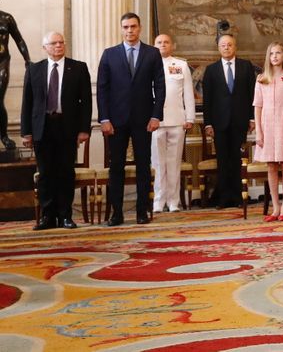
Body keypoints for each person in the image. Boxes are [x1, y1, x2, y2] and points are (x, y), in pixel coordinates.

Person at [97, 13, 164, 226]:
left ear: (140, 28)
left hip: (144, 120)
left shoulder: (152, 54)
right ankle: (116, 213)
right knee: (116, 167)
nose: (129, 30)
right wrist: (104, 118)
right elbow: (102, 89)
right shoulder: (109, 55)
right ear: (121, 29)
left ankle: (142, 212)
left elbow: (160, 87)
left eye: (133, 26)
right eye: (125, 27)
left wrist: (156, 115)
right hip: (116, 122)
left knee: (143, 166)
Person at [20, 32, 91, 230]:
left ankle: (65, 215)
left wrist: (84, 129)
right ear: (45, 47)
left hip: (67, 127)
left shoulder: (78, 67)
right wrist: (26, 132)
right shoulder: (34, 69)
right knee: (45, 174)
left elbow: (86, 102)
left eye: (61, 42)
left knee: (66, 172)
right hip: (42, 128)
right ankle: (47, 216)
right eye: (54, 43)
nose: (59, 45)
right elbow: (27, 102)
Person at [201, 33, 256, 209]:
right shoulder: (211, 70)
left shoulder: (246, 67)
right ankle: (224, 198)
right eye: (223, 45)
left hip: (240, 121)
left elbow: (252, 94)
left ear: (235, 47)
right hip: (219, 123)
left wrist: (252, 118)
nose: (226, 48)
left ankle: (239, 197)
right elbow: (207, 100)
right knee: (223, 160)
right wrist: (208, 123)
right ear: (219, 48)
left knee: (237, 159)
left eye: (230, 45)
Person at [254, 42, 283, 222]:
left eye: (278, 53)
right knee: (271, 165)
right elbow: (257, 106)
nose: (274, 56)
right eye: (272, 53)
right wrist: (259, 131)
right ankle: (274, 207)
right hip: (267, 124)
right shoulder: (261, 78)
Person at [152, 34, 196, 213]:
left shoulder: (181, 65)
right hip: (155, 122)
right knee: (158, 164)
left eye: (166, 42)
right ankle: (158, 201)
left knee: (174, 163)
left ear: (173, 45)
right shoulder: (148, 64)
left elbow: (188, 93)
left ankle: (173, 202)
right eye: (159, 42)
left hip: (177, 120)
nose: (163, 45)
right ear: (154, 45)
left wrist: (190, 118)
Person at [0, 0, 33, 151]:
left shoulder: (7, 18)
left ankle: (4, 136)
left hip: (2, 62)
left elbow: (19, 40)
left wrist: (27, 59)